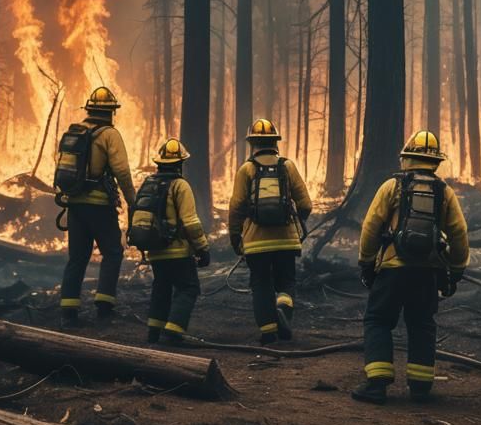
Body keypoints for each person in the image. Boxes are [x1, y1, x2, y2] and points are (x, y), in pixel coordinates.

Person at [352, 130, 470, 405]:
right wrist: (456, 269)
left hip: (393, 269)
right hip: (427, 272)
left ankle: (377, 385)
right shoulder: (445, 191)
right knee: (422, 325)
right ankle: (420, 386)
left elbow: (371, 227)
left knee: (378, 320)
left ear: (406, 159)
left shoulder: (392, 187)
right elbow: (459, 233)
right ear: (436, 162)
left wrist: (367, 263)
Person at [228, 118, 312, 344]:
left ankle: (268, 332)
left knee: (261, 284)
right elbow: (306, 204)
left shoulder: (246, 169)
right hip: (286, 240)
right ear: (275, 142)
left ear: (252, 144)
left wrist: (236, 237)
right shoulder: (288, 167)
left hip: (256, 242)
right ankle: (283, 307)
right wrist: (294, 221)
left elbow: (236, 207)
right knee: (286, 281)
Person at [58, 86, 136, 326]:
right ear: (112, 112)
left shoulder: (77, 132)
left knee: (77, 258)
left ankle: (69, 312)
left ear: (89, 109)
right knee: (113, 252)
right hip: (100, 206)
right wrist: (132, 200)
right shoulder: (109, 135)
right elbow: (121, 170)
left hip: (75, 204)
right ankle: (104, 306)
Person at [130, 137, 211, 346]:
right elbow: (191, 222)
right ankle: (173, 331)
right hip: (177, 251)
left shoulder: (148, 183)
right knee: (188, 288)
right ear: (180, 164)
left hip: (156, 251)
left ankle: (153, 333)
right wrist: (202, 248)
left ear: (159, 163)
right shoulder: (180, 185)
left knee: (161, 289)